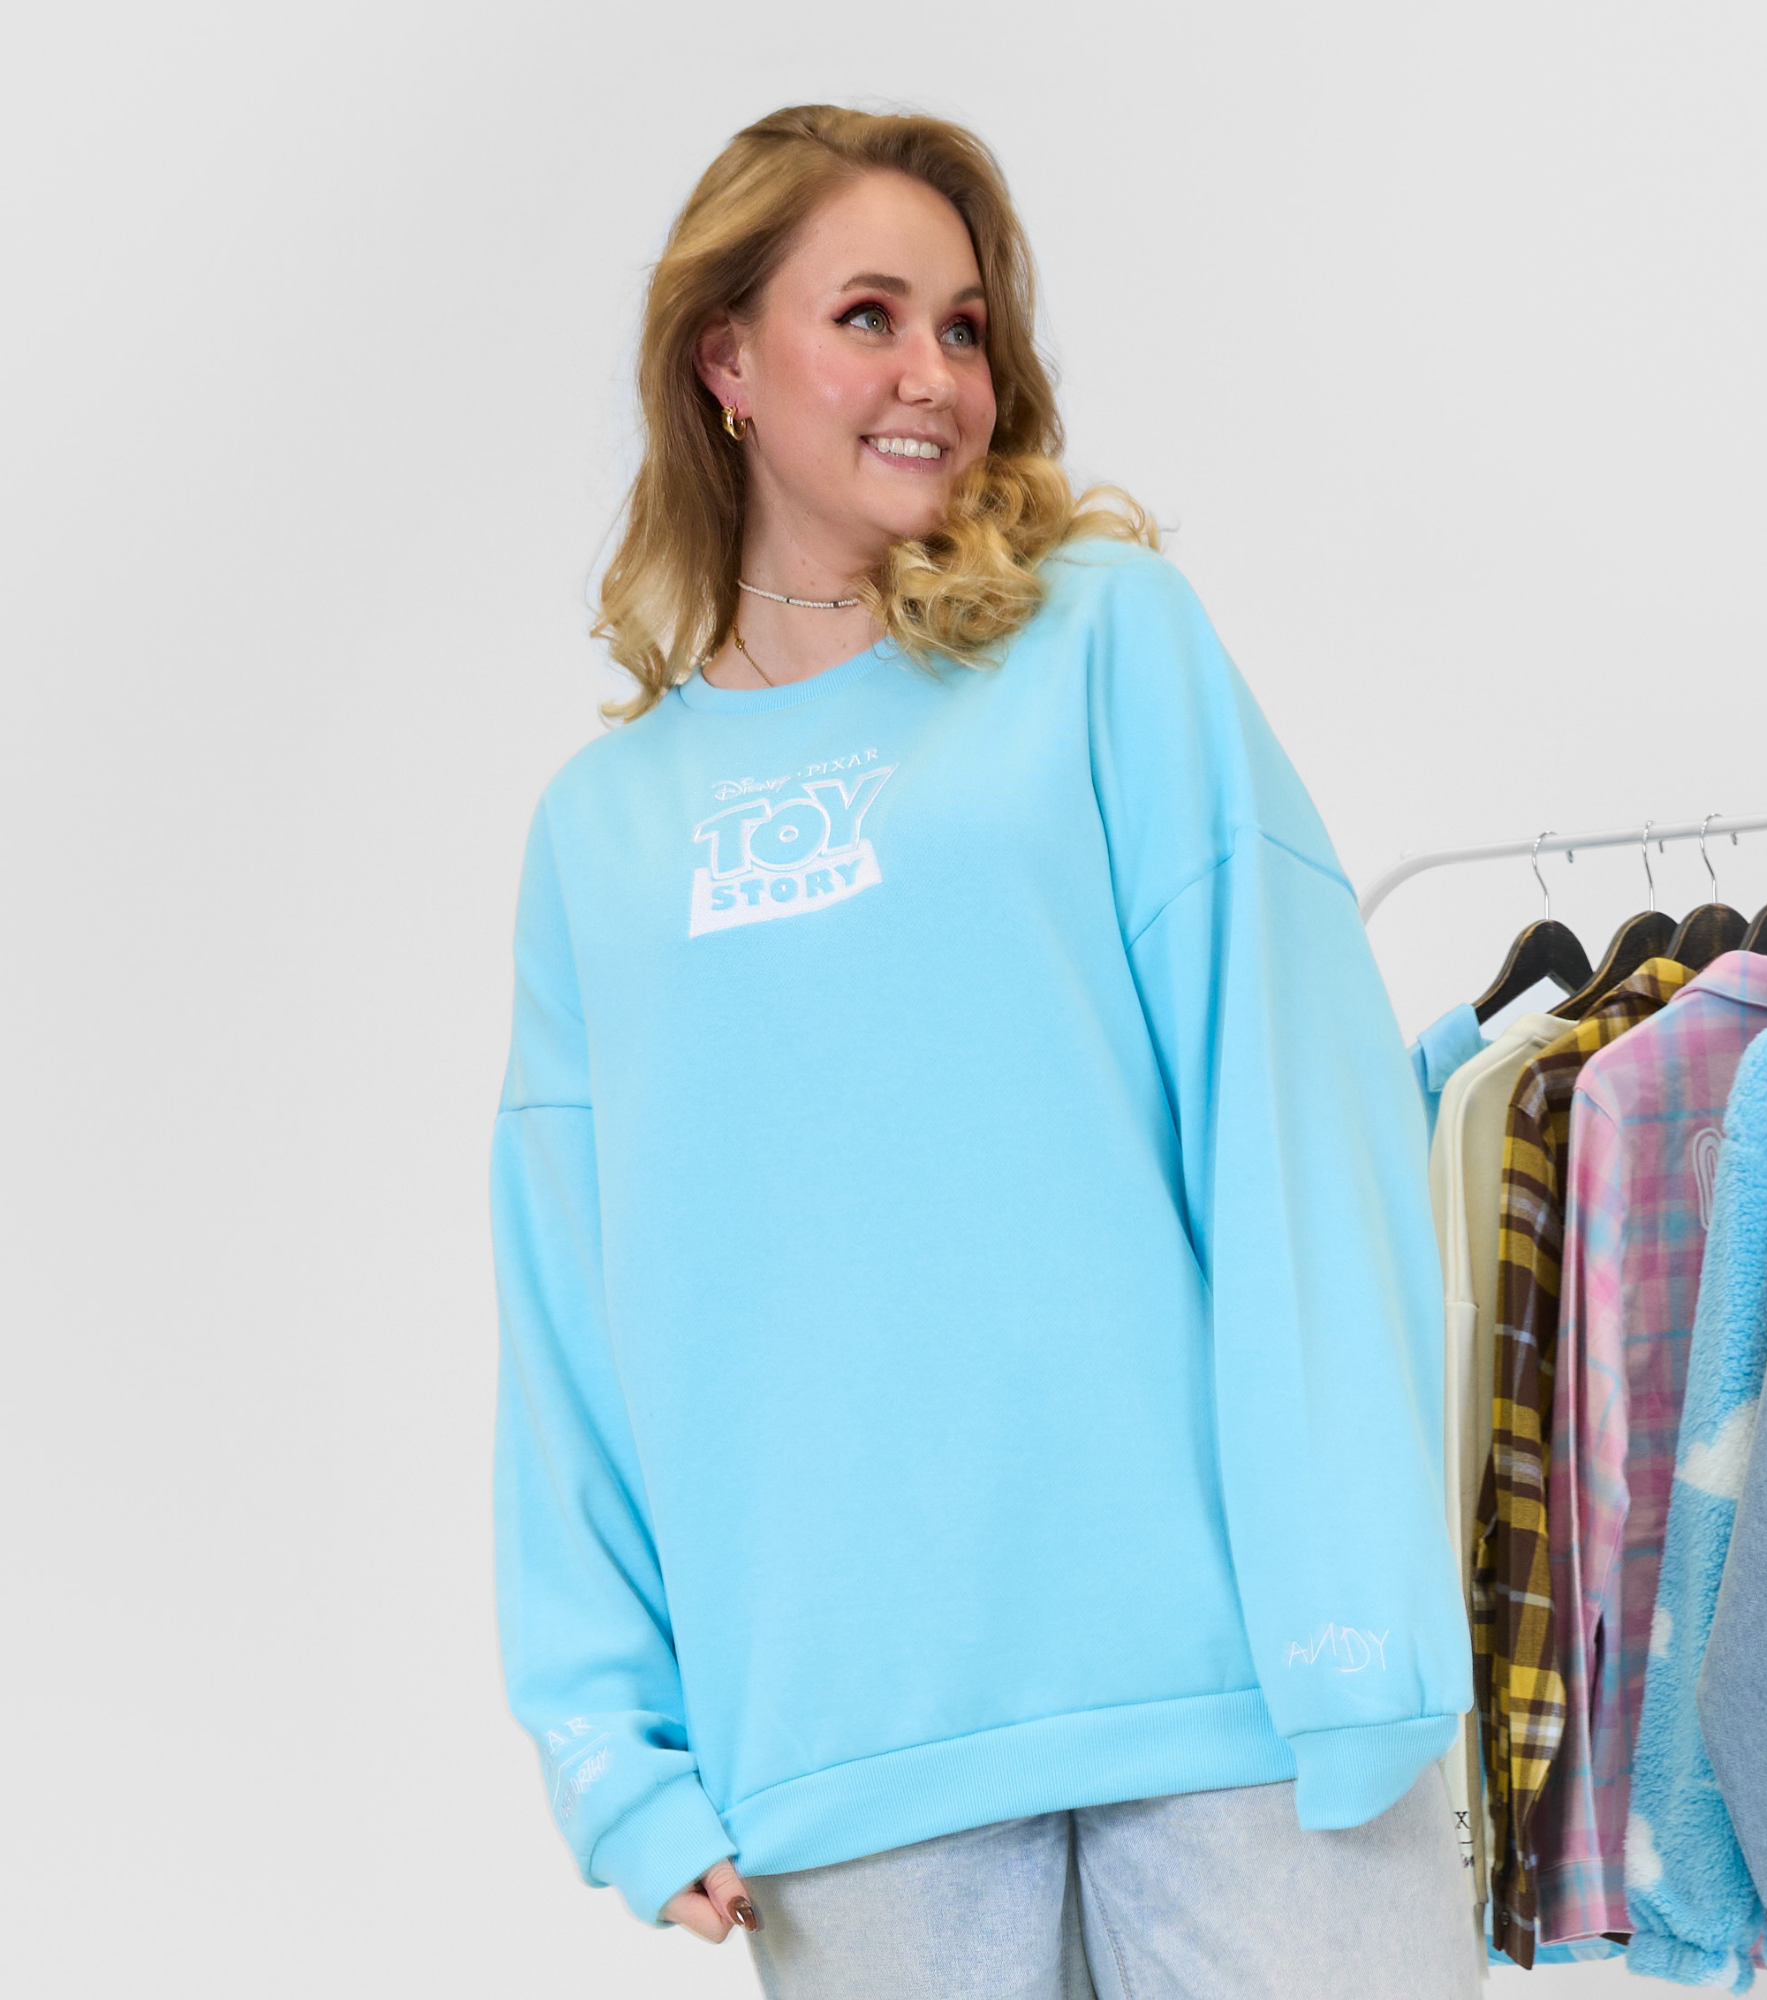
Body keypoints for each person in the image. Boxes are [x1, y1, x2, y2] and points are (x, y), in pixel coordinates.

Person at [489, 102, 1477, 1998]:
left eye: (965, 327)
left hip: (1232, 1698)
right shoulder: (602, 836)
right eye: (868, 315)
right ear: (725, 360)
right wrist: (614, 1752)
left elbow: (1294, 1114)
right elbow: (568, 1303)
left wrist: (1357, 1619)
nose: (934, 374)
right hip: (847, 1746)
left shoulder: (1107, 646)